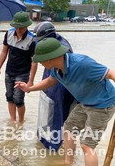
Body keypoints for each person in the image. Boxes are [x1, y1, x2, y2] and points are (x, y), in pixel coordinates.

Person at [15, 38, 115, 166]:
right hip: (85, 102)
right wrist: (29, 88)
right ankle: (68, 163)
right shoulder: (56, 69)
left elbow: (111, 73)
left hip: (103, 105)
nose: (39, 63)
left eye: (41, 60)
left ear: (50, 58)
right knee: (68, 129)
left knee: (86, 144)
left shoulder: (82, 64)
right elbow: (50, 81)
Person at [33, 21, 75, 150]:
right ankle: (46, 141)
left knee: (58, 115)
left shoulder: (62, 48)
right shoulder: (49, 44)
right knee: (47, 113)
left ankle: (54, 146)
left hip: (60, 88)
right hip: (50, 83)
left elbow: (57, 77)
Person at [0, 11, 37, 123]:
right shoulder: (8, 34)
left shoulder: (32, 39)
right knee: (9, 97)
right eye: (16, 27)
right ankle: (13, 121)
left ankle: (21, 122)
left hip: (22, 74)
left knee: (18, 99)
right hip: (9, 72)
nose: (18, 30)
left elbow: (34, 62)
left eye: (21, 27)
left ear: (27, 26)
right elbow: (4, 51)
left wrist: (31, 81)